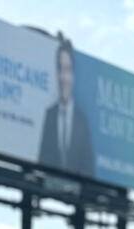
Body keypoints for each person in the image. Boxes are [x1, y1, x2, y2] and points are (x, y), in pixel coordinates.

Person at [38, 38, 94, 178]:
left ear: (74, 75)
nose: (64, 77)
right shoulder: (49, 115)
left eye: (68, 70)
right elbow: (41, 162)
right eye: (60, 69)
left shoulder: (82, 121)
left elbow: (89, 170)